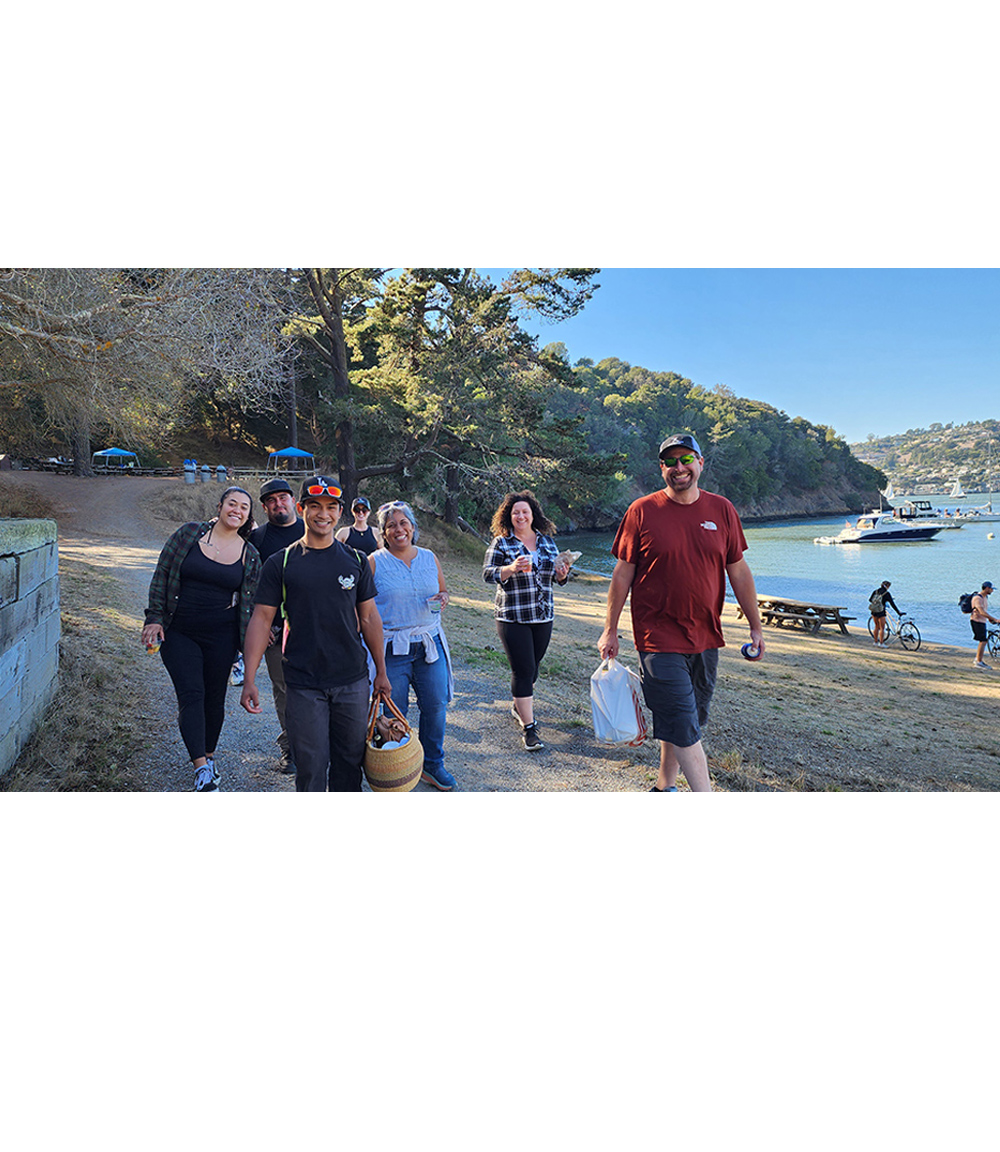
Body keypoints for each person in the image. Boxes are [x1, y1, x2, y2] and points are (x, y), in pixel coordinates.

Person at [598, 434, 764, 794]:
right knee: (684, 721)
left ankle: (663, 788)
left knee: (687, 721)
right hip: (657, 637)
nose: (679, 467)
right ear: (662, 469)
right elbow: (622, 573)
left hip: (705, 636)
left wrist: (756, 627)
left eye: (686, 459)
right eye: (670, 462)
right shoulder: (641, 511)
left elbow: (738, 570)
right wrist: (609, 629)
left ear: (700, 463)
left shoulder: (722, 510)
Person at [239, 477, 391, 792]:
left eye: (331, 507)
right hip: (303, 682)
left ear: (340, 513)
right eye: (315, 506)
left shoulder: (356, 561)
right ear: (302, 508)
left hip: (351, 679)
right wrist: (250, 678)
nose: (324, 514)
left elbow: (370, 617)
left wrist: (382, 673)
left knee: (350, 764)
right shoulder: (279, 563)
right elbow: (261, 619)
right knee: (310, 766)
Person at [142, 486, 261, 792]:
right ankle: (201, 769)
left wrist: (250, 649)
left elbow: (251, 604)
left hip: (221, 635)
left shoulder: (250, 555)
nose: (236, 510)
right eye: (231, 503)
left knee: (213, 699)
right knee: (191, 693)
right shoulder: (188, 535)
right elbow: (163, 573)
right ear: (220, 506)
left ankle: (208, 756)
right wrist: (154, 617)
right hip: (179, 631)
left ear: (249, 515)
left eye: (244, 507)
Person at [370, 500, 457, 790]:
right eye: (391, 524)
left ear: (413, 527)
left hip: (428, 644)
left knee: (435, 706)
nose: (399, 529)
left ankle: (433, 765)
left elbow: (443, 590)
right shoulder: (374, 561)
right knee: (395, 713)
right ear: (384, 531)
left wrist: (442, 599)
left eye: (403, 522)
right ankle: (396, 768)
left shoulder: (429, 557)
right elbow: (363, 608)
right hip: (393, 647)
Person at [483, 490, 570, 752]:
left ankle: (519, 704)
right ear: (509, 516)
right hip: (512, 616)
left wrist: (563, 573)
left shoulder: (547, 542)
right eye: (516, 512)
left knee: (533, 668)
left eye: (525, 512)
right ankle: (530, 729)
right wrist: (510, 569)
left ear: (533, 515)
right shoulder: (502, 543)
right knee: (522, 670)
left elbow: (558, 578)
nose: (520, 516)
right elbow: (487, 574)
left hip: (543, 615)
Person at [247, 477, 306, 773]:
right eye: (271, 500)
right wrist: (264, 624)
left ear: (293, 502)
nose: (277, 504)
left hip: (315, 627)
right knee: (284, 689)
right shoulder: (257, 540)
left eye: (282, 498)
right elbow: (249, 586)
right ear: (264, 507)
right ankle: (291, 749)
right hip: (276, 631)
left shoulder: (311, 531)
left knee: (321, 688)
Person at [970, 581, 999, 670]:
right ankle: (979, 662)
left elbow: (984, 612)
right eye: (991, 589)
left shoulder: (984, 597)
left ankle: (977, 659)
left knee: (983, 641)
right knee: (983, 641)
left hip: (982, 621)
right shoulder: (977, 598)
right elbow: (981, 612)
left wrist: (989, 619)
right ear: (986, 588)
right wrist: (995, 619)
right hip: (977, 621)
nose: (992, 591)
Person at [869, 580, 901, 646]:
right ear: (887, 586)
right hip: (881, 611)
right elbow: (892, 604)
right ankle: (881, 643)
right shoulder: (886, 593)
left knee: (876, 627)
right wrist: (898, 612)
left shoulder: (875, 591)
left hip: (874, 611)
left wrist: (876, 603)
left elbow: (870, 600)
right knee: (882, 628)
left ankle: (875, 642)